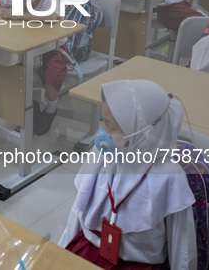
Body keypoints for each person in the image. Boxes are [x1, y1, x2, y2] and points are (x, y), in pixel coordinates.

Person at [58, 79, 197, 269]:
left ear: (142, 133)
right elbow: (78, 211)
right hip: (90, 251)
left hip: (137, 265)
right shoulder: (102, 155)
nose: (102, 133)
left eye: (110, 127)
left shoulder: (169, 178)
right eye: (103, 122)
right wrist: (57, 253)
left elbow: (182, 249)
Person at [0, 0, 65, 135]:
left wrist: (16, 14)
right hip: (24, 46)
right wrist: (0, 9)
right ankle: (25, 110)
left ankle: (51, 109)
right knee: (15, 75)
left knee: (53, 77)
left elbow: (51, 16)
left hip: (51, 48)